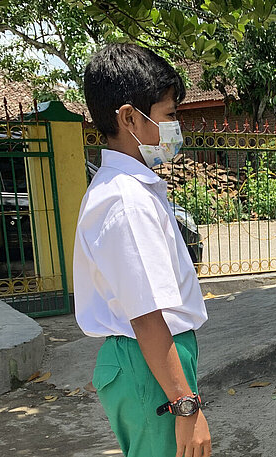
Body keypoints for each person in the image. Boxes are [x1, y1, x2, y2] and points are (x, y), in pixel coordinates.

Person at [73, 43, 211, 457]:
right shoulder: (124, 201)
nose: (175, 128)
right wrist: (186, 406)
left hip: (150, 361)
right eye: (169, 115)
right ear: (130, 117)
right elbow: (147, 315)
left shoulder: (133, 189)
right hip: (147, 363)